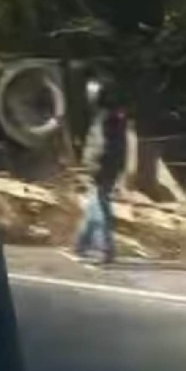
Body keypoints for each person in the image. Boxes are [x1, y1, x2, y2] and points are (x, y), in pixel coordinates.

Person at [74, 80, 127, 263]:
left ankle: (105, 248)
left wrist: (92, 166)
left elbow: (100, 146)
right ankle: (81, 243)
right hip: (109, 165)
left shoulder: (105, 119)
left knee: (99, 207)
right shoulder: (114, 117)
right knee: (94, 203)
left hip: (101, 166)